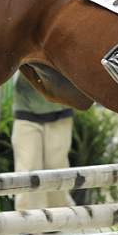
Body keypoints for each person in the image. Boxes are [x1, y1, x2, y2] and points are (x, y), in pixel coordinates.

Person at [11, 72, 75, 209]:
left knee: (56, 166)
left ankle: (58, 216)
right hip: (26, 110)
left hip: (60, 110)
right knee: (28, 167)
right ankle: (28, 218)